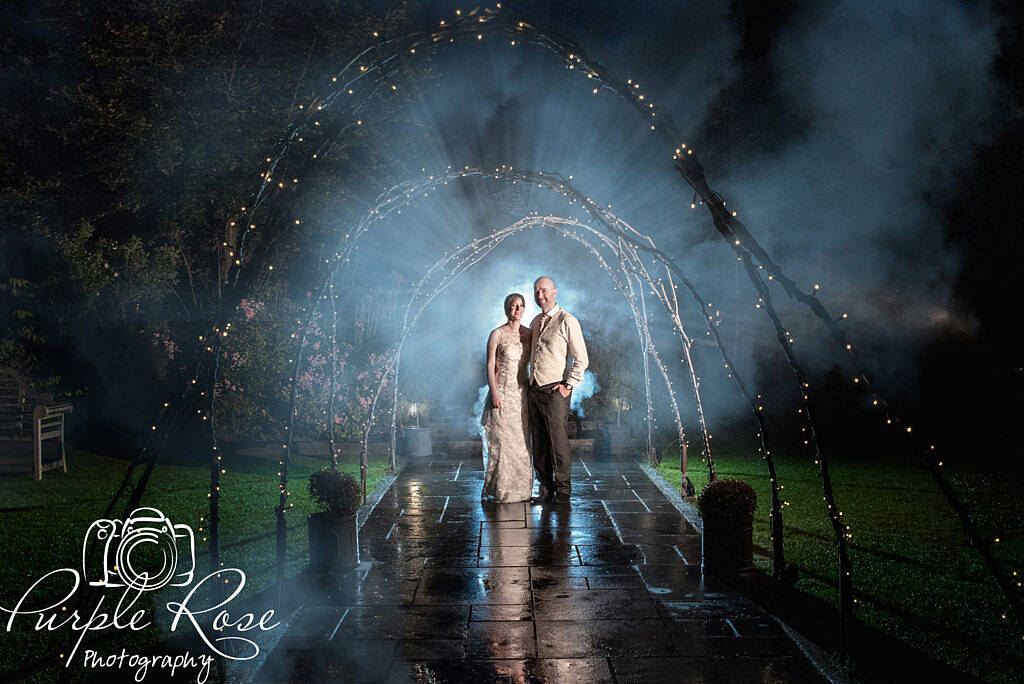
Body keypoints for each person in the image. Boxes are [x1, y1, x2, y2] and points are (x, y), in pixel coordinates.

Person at [527, 276, 588, 505]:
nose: (539, 295)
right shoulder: (535, 321)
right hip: (534, 389)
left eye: (543, 290)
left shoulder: (567, 320)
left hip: (555, 391)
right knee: (539, 442)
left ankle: (563, 490)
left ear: (554, 292)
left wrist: (568, 385)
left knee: (558, 442)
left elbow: (581, 358)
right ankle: (546, 488)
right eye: (536, 291)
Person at [481, 293, 534, 502]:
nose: (517, 309)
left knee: (521, 443)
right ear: (506, 308)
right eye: (513, 306)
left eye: (520, 306)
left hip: (522, 394)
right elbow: (489, 365)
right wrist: (494, 392)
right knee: (502, 442)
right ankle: (501, 489)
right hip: (502, 392)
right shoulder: (497, 334)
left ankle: (522, 491)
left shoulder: (529, 334)